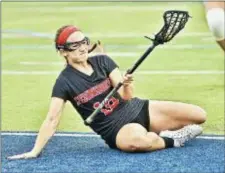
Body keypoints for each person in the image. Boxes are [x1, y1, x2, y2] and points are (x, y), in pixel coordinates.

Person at [8, 25, 206, 159]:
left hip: (137, 109)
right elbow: (52, 119)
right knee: (140, 141)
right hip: (116, 129)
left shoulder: (103, 61)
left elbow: (126, 96)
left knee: (199, 115)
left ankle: (157, 133)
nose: (82, 48)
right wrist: (35, 151)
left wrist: (126, 83)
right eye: (74, 45)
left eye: (84, 42)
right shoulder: (64, 82)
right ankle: (174, 139)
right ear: (63, 52)